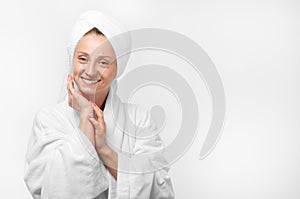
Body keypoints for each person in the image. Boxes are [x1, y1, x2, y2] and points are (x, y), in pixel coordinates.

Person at [24, 10, 175, 199]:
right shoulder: (49, 120)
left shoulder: (139, 119)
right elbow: (48, 189)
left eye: (103, 62)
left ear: (118, 68)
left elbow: (160, 189)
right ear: (72, 60)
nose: (90, 71)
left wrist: (104, 150)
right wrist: (86, 117)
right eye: (83, 59)